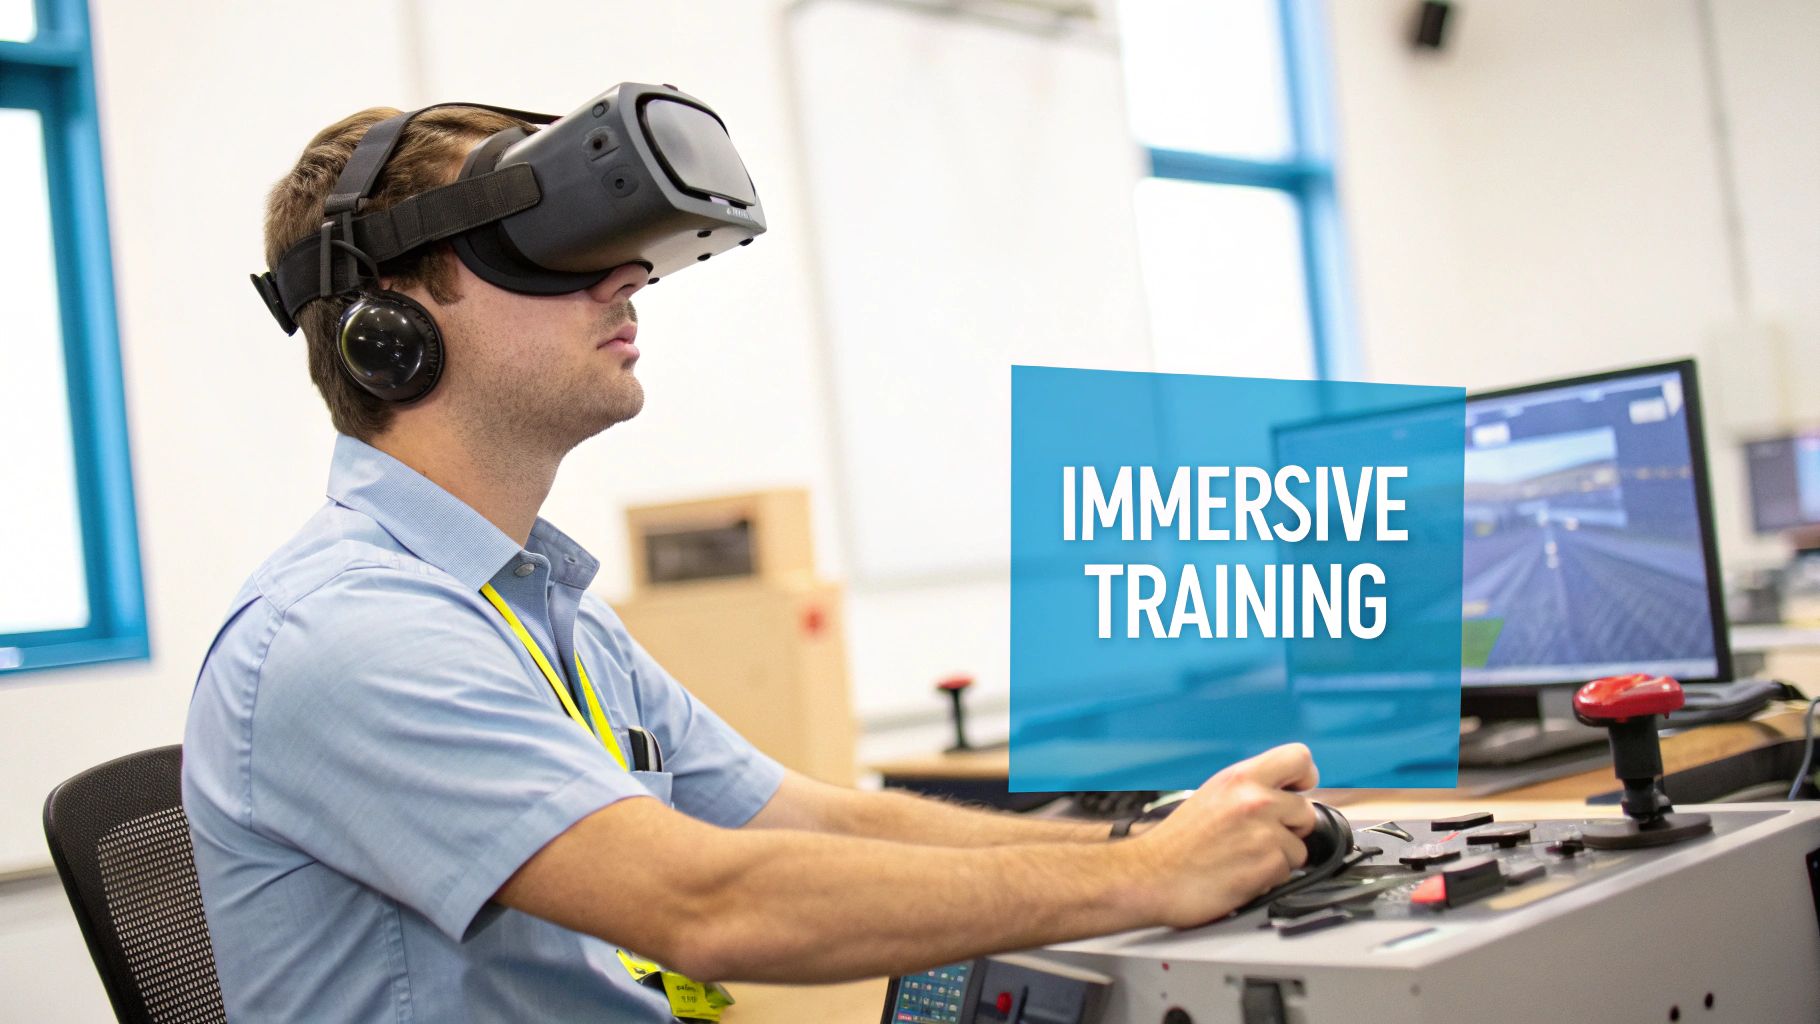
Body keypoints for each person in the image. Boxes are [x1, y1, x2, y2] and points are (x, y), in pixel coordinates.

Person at [182, 104, 1321, 1022]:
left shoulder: (542, 612)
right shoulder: (347, 632)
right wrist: (1141, 879)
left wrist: (1136, 844)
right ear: (388, 328)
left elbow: (810, 824)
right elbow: (706, 901)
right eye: (538, 249)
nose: (624, 278)